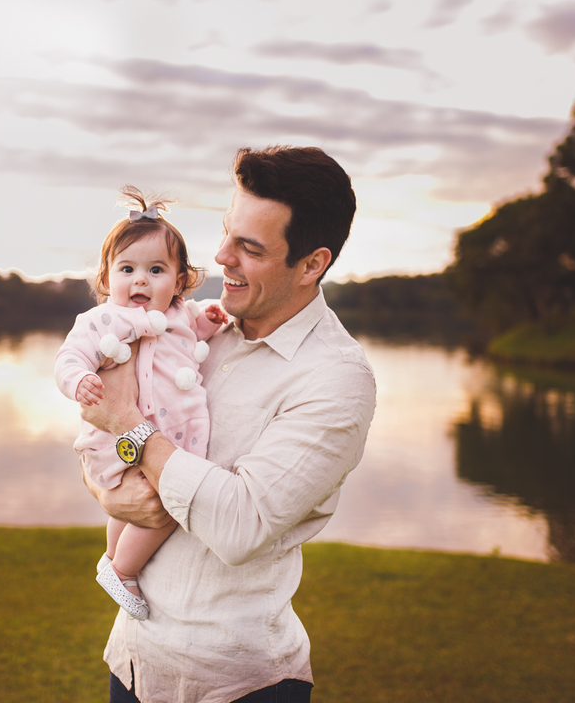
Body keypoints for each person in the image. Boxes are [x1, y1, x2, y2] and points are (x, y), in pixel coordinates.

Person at [80, 146, 376, 703]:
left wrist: (130, 430)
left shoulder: (336, 380)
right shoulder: (193, 327)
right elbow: (96, 430)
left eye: (250, 247)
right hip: (133, 663)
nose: (220, 258)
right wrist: (106, 489)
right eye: (226, 233)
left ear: (312, 263)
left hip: (234, 682)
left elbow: (241, 526)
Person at [56, 186, 228, 620]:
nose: (140, 281)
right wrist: (78, 381)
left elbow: (195, 335)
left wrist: (209, 319)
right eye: (127, 268)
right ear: (106, 277)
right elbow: (69, 357)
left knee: (137, 501)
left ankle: (112, 553)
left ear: (179, 282)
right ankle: (123, 568)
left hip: (166, 438)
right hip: (121, 440)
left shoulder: (180, 316)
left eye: (156, 270)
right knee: (165, 505)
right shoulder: (104, 319)